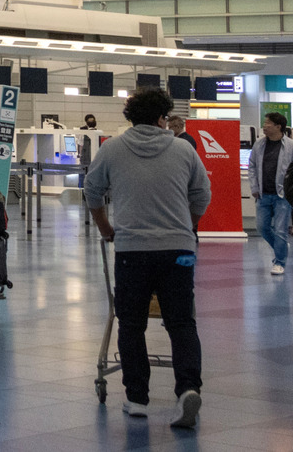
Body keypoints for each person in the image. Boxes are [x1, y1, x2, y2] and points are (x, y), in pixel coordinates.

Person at [84, 86, 210, 429]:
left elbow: (92, 190)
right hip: (178, 252)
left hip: (131, 250)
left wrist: (106, 229)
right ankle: (188, 389)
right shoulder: (183, 149)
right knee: (181, 323)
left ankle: (137, 398)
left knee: (131, 323)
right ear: (162, 118)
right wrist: (186, 226)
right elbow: (202, 194)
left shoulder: (112, 149)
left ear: (131, 117)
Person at [247, 111, 293, 276]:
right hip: (263, 194)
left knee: (280, 230)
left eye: (268, 123)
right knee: (262, 227)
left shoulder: (292, 146)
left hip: (282, 196)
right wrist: (254, 187)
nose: (264, 126)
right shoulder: (259, 145)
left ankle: (279, 262)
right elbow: (252, 166)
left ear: (278, 126)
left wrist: (292, 189)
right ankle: (281, 247)